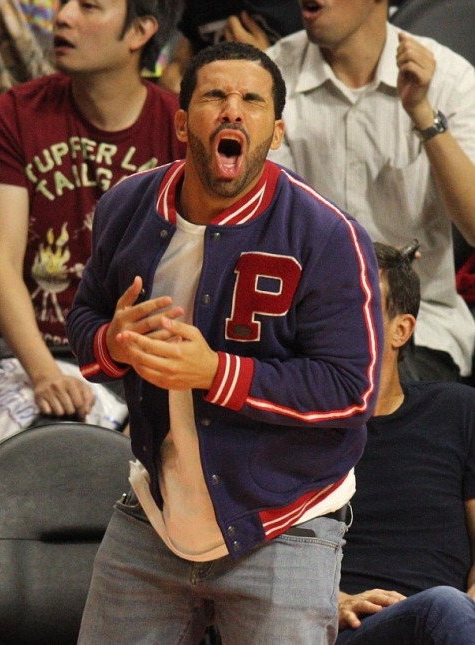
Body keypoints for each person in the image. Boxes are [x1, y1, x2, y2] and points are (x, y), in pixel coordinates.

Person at [67, 41, 383, 645]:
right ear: (183, 121)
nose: (233, 111)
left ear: (279, 130)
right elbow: (84, 319)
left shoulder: (327, 236)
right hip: (156, 514)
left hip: (284, 516)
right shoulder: (126, 207)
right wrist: (113, 342)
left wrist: (216, 372)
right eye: (215, 95)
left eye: (252, 100)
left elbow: (351, 393)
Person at [0, 0, 186, 432]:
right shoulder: (15, 113)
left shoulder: (177, 129)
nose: (64, 17)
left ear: (139, 31)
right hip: (22, 353)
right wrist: (44, 373)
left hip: (135, 360)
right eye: (65, 3)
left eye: (89, 7)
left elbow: (194, 279)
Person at [267, 0, 475, 383]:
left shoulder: (451, 79)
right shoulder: (269, 77)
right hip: (301, 322)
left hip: (420, 325)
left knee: (378, 396)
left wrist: (423, 114)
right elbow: (268, 228)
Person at [336, 242, 475, 645]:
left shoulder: (457, 410)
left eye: (359, 308)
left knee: (447, 609)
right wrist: (336, 600)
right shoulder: (298, 430)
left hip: (450, 622)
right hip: (351, 628)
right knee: (443, 607)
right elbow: (263, 561)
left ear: (401, 329)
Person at [158, 0, 303, 93]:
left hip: (280, 102)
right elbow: (183, 59)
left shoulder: (297, 11)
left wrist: (267, 61)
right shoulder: (198, 7)